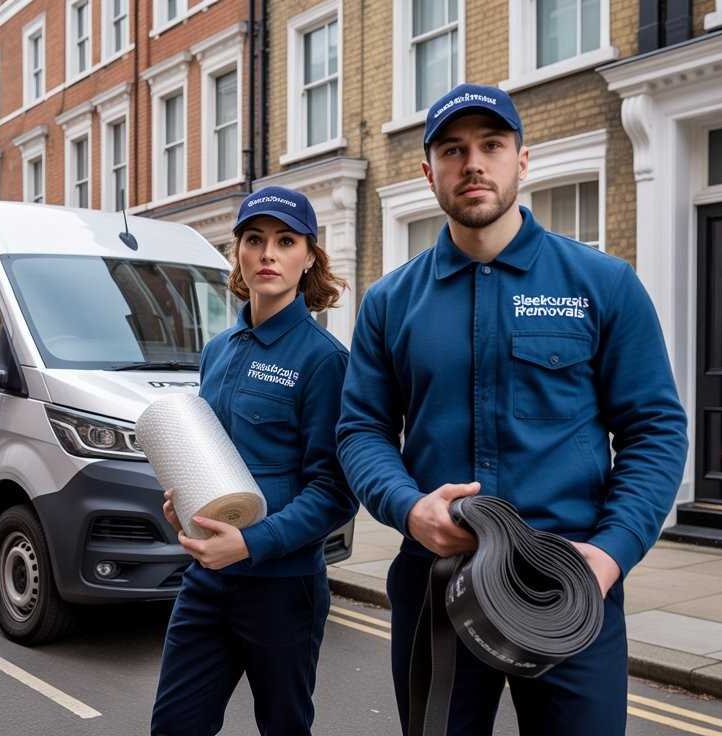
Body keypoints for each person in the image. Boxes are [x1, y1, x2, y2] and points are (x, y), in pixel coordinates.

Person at [336, 83, 688, 735]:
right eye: (452, 149)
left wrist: (610, 554)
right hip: (436, 582)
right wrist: (409, 508)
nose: (473, 163)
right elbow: (361, 430)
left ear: (522, 161)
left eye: (492, 145)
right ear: (429, 172)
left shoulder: (603, 284)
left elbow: (655, 431)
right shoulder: (389, 302)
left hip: (570, 580)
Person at [151, 186, 358, 736]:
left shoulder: (325, 361)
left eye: (286, 241)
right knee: (174, 726)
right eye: (254, 239)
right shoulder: (218, 350)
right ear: (238, 252)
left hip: (283, 589)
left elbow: (335, 493)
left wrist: (248, 543)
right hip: (207, 581)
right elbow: (208, 459)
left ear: (309, 257)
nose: (268, 253)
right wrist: (185, 503)